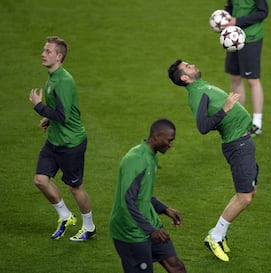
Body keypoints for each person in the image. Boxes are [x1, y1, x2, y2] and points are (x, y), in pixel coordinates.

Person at [168, 59, 259, 262]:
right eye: (188, 66)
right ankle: (215, 236)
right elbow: (203, 126)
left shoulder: (201, 86)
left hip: (243, 142)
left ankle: (219, 233)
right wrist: (225, 108)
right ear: (185, 78)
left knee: (250, 192)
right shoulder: (196, 94)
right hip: (237, 145)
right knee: (244, 197)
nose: (193, 65)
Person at [29, 36, 96, 241]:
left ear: (59, 56)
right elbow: (60, 111)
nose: (43, 54)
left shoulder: (64, 81)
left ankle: (89, 226)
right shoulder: (53, 77)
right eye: (43, 50)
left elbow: (63, 116)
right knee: (40, 180)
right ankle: (65, 216)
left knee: (75, 187)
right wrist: (47, 119)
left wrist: (39, 106)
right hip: (54, 140)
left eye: (48, 51)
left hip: (71, 143)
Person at [109, 119, 187, 273]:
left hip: (150, 223)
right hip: (130, 232)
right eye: (169, 140)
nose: (171, 145)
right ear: (157, 136)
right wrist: (150, 231)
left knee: (176, 266)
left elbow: (143, 195)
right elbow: (128, 201)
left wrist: (165, 209)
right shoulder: (136, 160)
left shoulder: (151, 156)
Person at [222, 0, 269, 135]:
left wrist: (238, 21)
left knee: (252, 80)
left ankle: (257, 123)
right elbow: (230, 6)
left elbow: (263, 12)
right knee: (235, 77)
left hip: (250, 37)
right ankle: (239, 119)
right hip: (233, 36)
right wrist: (223, 20)